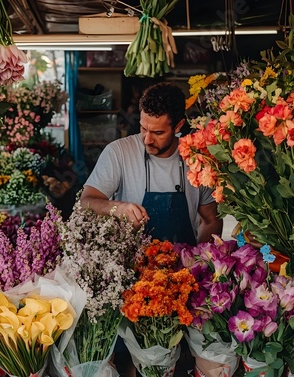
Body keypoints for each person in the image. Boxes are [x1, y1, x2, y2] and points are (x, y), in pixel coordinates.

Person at [79, 81, 224, 377]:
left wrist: (197, 263)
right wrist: (115, 207)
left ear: (179, 126)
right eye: (143, 128)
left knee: (186, 355)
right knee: (138, 355)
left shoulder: (197, 158)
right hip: (135, 279)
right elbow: (86, 201)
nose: (147, 138)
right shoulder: (119, 152)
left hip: (184, 279)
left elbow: (211, 219)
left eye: (158, 132)